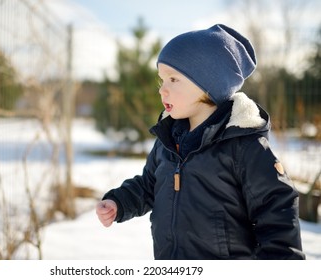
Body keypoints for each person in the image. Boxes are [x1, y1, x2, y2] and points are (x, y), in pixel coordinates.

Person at [96, 24, 305, 260]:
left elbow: (277, 212)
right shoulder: (168, 139)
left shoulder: (243, 145)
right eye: (161, 80)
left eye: (173, 79)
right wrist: (120, 201)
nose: (162, 90)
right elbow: (148, 185)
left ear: (207, 84)